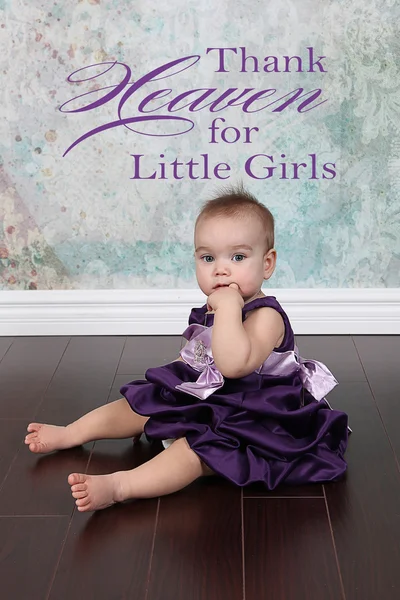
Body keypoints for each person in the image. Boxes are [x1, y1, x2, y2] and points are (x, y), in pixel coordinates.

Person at [25, 186, 349, 512]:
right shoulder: (222, 302)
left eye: (238, 257)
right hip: (213, 395)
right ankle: (71, 433)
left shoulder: (267, 317)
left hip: (255, 417)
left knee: (194, 451)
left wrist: (227, 310)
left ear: (267, 264)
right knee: (143, 401)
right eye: (208, 258)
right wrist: (170, 394)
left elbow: (235, 365)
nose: (220, 269)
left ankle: (121, 485)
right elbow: (201, 359)